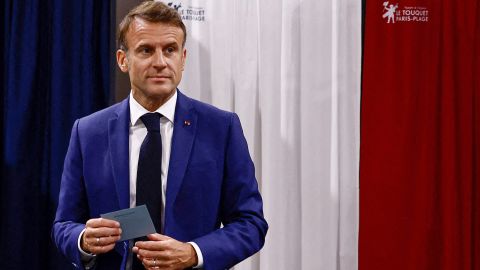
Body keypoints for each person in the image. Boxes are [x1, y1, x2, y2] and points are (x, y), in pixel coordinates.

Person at [52, 1, 268, 269]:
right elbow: (64, 224)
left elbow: (251, 223)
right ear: (123, 60)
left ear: (183, 58)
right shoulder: (87, 132)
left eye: (170, 50)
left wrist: (193, 253)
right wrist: (83, 239)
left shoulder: (221, 128)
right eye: (145, 50)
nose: (160, 62)